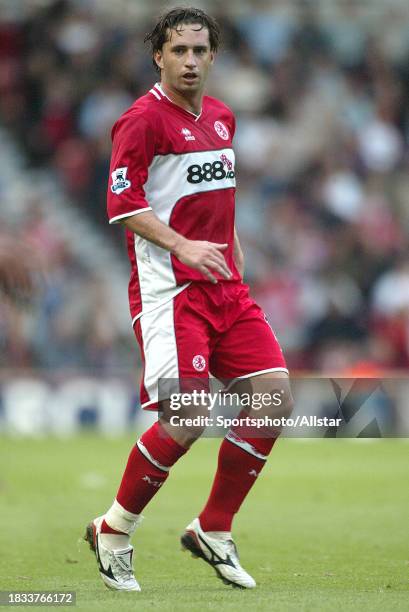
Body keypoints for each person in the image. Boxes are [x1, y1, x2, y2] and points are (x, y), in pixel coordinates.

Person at [85, 7, 292, 592]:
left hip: (225, 286)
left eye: (200, 51)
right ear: (160, 56)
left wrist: (233, 242)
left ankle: (213, 528)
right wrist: (184, 247)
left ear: (214, 55)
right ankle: (114, 530)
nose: (191, 60)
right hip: (171, 293)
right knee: (187, 419)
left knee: (274, 399)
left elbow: (211, 193)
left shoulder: (223, 118)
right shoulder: (141, 121)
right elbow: (122, 205)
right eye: (179, 51)